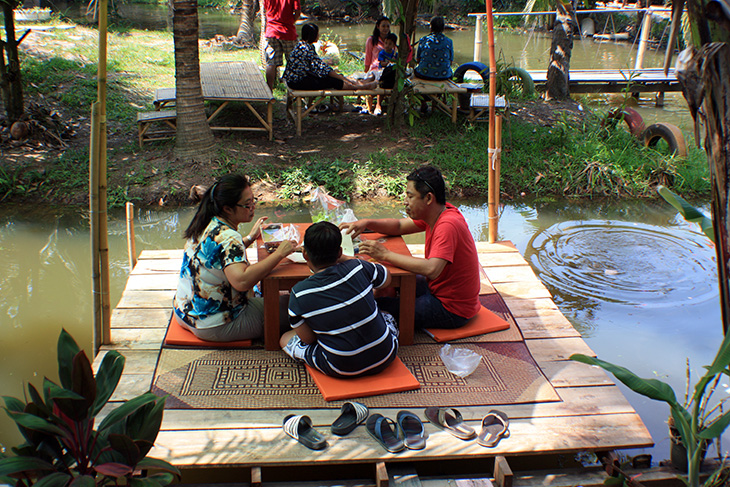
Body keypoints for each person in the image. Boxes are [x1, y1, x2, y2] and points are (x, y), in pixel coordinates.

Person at [340, 165, 481, 330]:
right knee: (389, 279)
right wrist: (367, 223)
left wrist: (385, 254)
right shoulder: (437, 212)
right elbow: (399, 226)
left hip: (452, 308)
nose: (405, 201)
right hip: (437, 288)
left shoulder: (448, 224)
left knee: (372, 308)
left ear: (428, 198)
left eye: (410, 196)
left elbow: (432, 269)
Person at [173, 174, 296, 342]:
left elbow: (216, 255)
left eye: (254, 201)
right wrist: (280, 253)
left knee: (279, 299)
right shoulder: (229, 237)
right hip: (217, 323)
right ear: (227, 209)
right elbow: (242, 281)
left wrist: (250, 238)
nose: (253, 207)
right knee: (297, 305)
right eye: (247, 204)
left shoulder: (205, 222)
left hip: (185, 313)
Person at [280, 221, 399, 378]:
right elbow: (387, 279)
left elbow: (308, 339)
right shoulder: (358, 266)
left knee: (285, 338)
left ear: (305, 254)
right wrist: (345, 258)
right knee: (385, 316)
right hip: (386, 354)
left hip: (342, 366)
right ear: (340, 252)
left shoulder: (299, 293)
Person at [283, 23, 378, 91]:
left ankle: (361, 82)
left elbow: (317, 67)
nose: (318, 35)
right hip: (297, 82)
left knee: (335, 77)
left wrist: (341, 76)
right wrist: (342, 78)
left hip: (295, 79)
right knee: (333, 80)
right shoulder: (306, 49)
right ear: (312, 35)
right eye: (317, 33)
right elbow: (322, 68)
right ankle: (360, 86)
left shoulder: (301, 45)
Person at [363, 16, 413, 115]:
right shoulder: (371, 40)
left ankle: (386, 104)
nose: (386, 28)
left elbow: (394, 56)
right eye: (383, 26)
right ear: (378, 26)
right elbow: (368, 57)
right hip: (376, 68)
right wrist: (366, 70)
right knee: (376, 79)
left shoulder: (392, 40)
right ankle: (375, 105)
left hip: (389, 69)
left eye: (387, 26)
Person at [262, 0, 301, 90]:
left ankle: (269, 90)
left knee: (271, 63)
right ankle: (294, 90)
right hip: (287, 32)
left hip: (271, 31)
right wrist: (291, 21)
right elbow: (297, 12)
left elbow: (266, 8)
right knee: (293, 62)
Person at [414, 16, 454, 81]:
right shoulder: (449, 41)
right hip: (444, 75)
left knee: (416, 70)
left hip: (423, 74)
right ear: (443, 28)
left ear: (431, 27)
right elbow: (450, 62)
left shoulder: (423, 40)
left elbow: (418, 60)